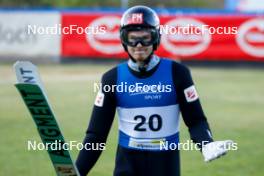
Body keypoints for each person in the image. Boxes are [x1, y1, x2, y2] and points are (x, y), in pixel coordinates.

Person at [76, 5, 233, 176]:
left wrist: (206, 143)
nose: (139, 45)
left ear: (156, 38)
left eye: (145, 38)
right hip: (128, 167)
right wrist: (77, 172)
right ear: (123, 40)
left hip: (165, 166)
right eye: (132, 39)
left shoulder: (178, 73)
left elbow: (195, 120)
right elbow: (96, 135)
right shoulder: (111, 79)